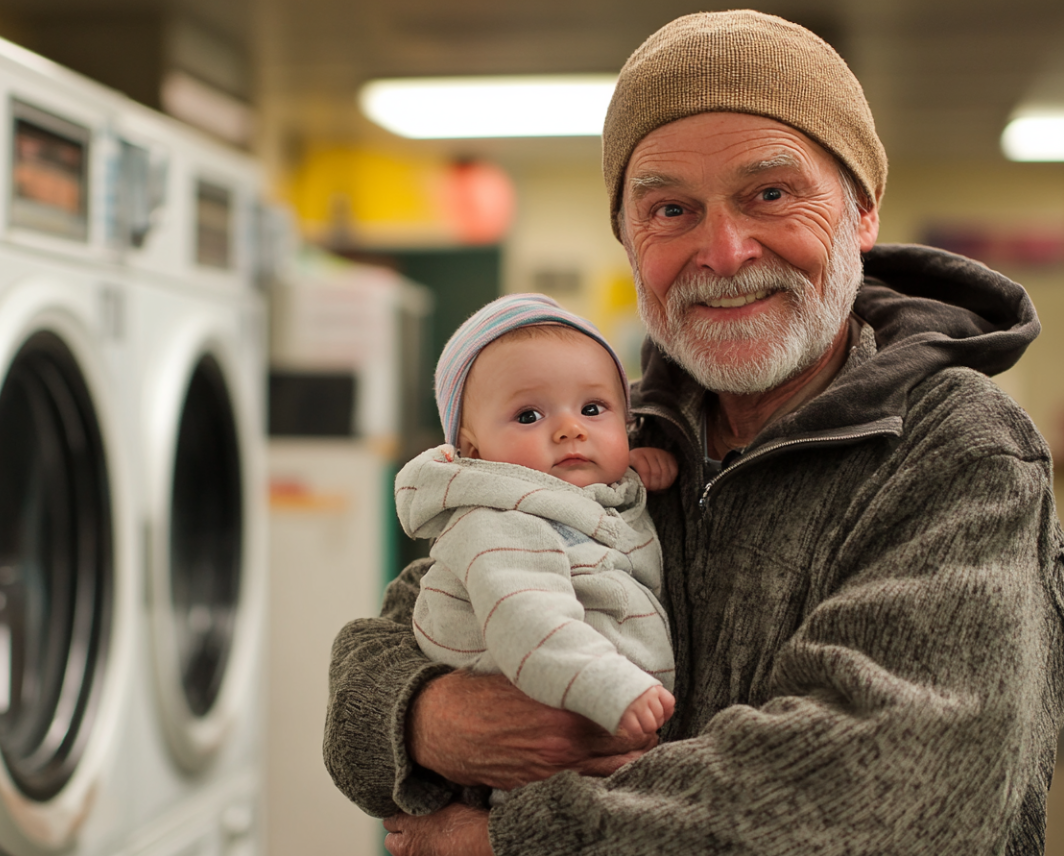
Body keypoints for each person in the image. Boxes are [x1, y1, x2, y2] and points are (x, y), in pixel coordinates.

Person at [323, 9, 1064, 856]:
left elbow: (891, 789)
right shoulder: (609, 439)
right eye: (670, 210)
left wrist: (508, 842)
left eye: (771, 194)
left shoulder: (957, 448)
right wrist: (430, 716)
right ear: (630, 244)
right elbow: (368, 673)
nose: (723, 250)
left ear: (861, 213)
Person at [396, 294, 678, 758]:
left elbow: (596, 516)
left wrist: (629, 470)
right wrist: (608, 684)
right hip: (539, 729)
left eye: (593, 409)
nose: (571, 429)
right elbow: (525, 618)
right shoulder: (500, 524)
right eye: (529, 416)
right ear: (474, 452)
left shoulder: (568, 495)